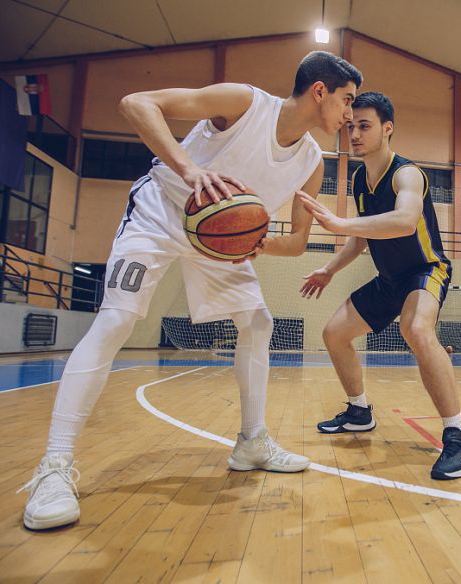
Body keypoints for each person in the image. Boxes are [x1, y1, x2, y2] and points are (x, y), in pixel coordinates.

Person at [18, 52, 363, 530]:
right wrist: (188, 169)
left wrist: (254, 241)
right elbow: (136, 103)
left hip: (216, 242)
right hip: (160, 213)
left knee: (258, 322)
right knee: (117, 319)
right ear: (319, 91)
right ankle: (52, 469)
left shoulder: (310, 163)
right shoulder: (243, 103)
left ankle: (251, 442)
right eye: (347, 101)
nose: (350, 115)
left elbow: (298, 243)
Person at [298, 91, 461, 480]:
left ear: (387, 129)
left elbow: (405, 221)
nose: (354, 134)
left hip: (426, 270)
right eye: (350, 126)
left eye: (364, 126)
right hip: (390, 279)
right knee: (334, 334)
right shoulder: (361, 178)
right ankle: (359, 411)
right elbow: (362, 239)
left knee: (416, 328)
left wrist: (340, 224)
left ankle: (456, 434)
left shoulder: (406, 173)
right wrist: (328, 268)